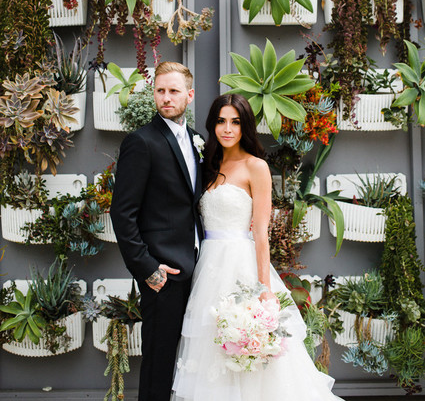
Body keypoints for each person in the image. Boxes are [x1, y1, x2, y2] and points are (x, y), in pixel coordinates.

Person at [172, 93, 345, 401]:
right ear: (212, 125)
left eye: (235, 122)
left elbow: (261, 234)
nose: (227, 129)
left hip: (241, 265)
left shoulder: (256, 167)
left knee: (249, 344)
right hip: (207, 268)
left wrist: (264, 289)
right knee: (212, 347)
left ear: (245, 127)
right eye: (221, 121)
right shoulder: (206, 166)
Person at [110, 61, 204, 401]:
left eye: (174, 91)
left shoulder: (198, 140)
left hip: (200, 268)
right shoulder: (141, 142)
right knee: (159, 363)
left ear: (189, 95)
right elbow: (122, 213)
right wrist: (147, 268)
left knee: (195, 361)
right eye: (160, 90)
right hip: (163, 274)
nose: (166, 97)